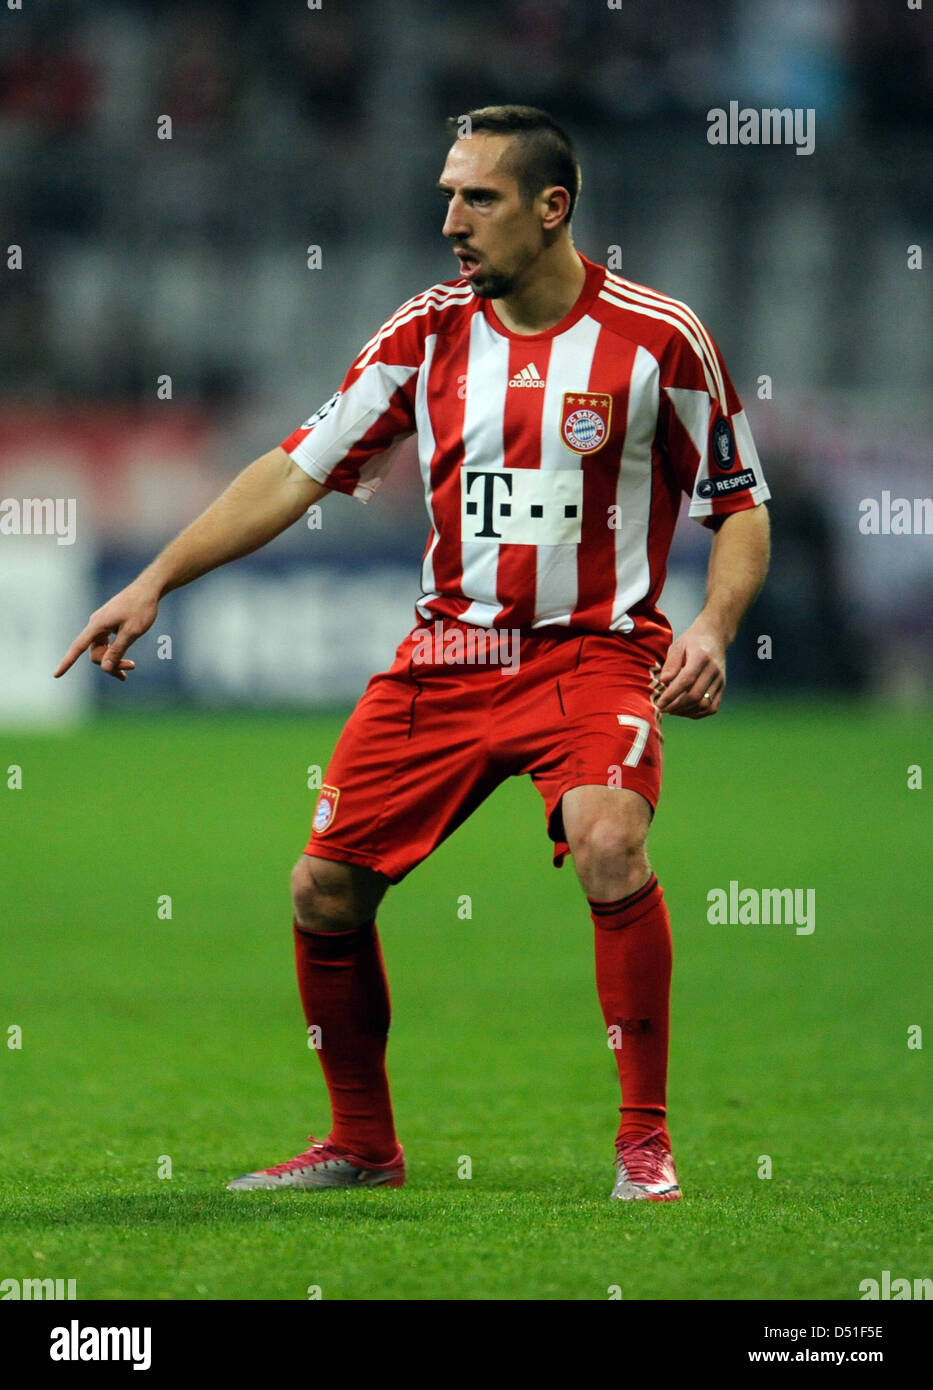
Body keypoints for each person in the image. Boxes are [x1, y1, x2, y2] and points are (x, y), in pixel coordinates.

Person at [56, 105, 770, 1201]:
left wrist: (714, 627)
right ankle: (361, 1146)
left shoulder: (660, 338)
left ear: (552, 207)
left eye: (476, 197)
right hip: (446, 657)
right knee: (322, 890)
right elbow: (294, 471)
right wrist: (154, 581)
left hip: (595, 653)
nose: (451, 220)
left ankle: (645, 1145)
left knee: (609, 842)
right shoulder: (425, 334)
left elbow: (740, 504)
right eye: (446, 194)